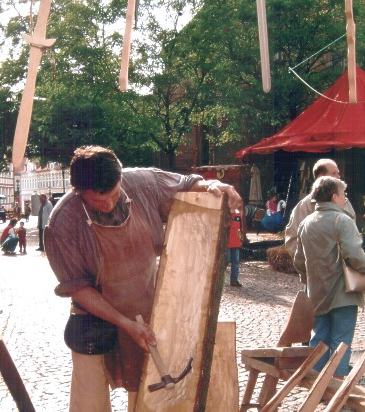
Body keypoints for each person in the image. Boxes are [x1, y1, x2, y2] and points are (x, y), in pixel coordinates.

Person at [44, 145, 242, 411]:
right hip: (93, 321)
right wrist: (124, 323)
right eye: (98, 202)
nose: (109, 205)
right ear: (78, 191)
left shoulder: (142, 183)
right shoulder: (62, 223)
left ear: (120, 178)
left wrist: (213, 185)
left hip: (146, 313)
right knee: (89, 403)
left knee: (148, 400)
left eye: (114, 195)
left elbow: (186, 183)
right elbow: (79, 289)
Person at [293, 176, 365, 377]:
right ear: (334, 197)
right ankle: (336, 387)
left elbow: (299, 261)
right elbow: (355, 256)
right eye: (343, 194)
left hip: (317, 292)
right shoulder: (342, 220)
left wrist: (312, 280)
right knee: (341, 343)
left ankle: (315, 385)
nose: (345, 198)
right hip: (342, 291)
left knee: (318, 341)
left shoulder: (306, 223)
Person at [284, 158, 356, 284]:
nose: (338, 177)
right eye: (334, 173)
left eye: (338, 173)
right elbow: (292, 240)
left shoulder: (345, 201)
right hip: (317, 279)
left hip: (344, 275)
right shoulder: (305, 206)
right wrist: (310, 268)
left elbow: (353, 234)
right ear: (321, 176)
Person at [227, 209, 243, 287]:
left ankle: (234, 281)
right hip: (227, 243)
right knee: (226, 260)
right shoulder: (226, 213)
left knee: (235, 262)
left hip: (235, 242)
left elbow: (239, 229)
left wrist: (240, 239)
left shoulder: (238, 214)